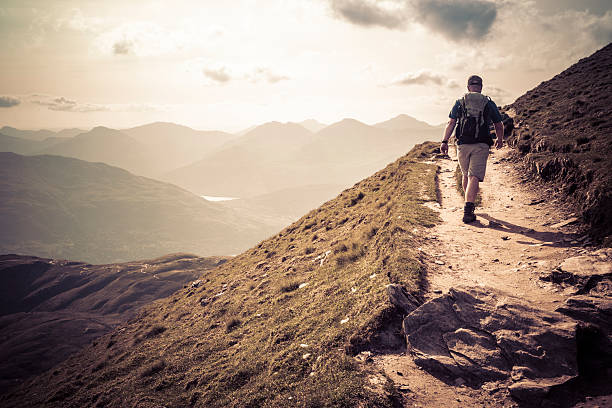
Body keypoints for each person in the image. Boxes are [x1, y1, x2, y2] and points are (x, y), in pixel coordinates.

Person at [440, 75, 504, 223]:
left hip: (462, 144)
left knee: (466, 174)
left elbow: (451, 123)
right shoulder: (488, 102)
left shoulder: (460, 101)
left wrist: (444, 141)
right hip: (481, 144)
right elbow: (498, 124)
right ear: (481, 86)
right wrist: (499, 139)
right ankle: (468, 210)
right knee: (474, 176)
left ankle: (467, 204)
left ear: (468, 87)